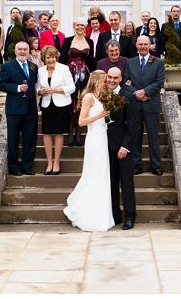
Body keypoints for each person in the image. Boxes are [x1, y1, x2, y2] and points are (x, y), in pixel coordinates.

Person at [62, 70, 115, 231]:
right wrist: (100, 115)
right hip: (94, 137)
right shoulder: (88, 97)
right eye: (104, 80)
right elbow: (81, 121)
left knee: (102, 174)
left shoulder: (102, 97)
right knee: (94, 172)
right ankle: (83, 209)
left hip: (103, 136)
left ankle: (102, 212)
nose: (106, 83)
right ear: (97, 81)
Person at [125, 36, 166, 177]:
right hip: (134, 105)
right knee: (135, 137)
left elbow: (160, 81)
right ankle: (136, 166)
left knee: (153, 137)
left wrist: (145, 92)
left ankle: (156, 166)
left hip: (151, 104)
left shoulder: (158, 62)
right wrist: (136, 92)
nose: (142, 46)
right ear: (136, 46)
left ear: (150, 46)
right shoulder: (130, 63)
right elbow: (126, 82)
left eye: (145, 44)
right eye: (140, 44)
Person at [0, 41, 39, 176]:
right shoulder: (7, 66)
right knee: (13, 139)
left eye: (25, 49)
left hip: (31, 109)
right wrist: (17, 88)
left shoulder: (33, 67)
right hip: (14, 109)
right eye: (20, 49)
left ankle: (27, 166)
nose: (22, 52)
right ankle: (14, 167)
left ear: (28, 51)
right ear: (15, 51)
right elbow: (1, 85)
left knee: (30, 139)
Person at [105, 67, 137, 229]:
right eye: (109, 77)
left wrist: (125, 147)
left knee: (126, 182)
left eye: (115, 78)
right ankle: (114, 214)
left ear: (121, 78)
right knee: (110, 182)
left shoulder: (128, 96)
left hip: (123, 147)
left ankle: (130, 216)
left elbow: (134, 126)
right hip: (105, 146)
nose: (112, 80)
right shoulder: (101, 95)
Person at [36, 46, 75, 176]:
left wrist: (56, 90)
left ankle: (56, 162)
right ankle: (49, 163)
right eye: (48, 57)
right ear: (44, 59)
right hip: (47, 105)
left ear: (56, 57)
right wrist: (40, 92)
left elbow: (72, 87)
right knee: (47, 133)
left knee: (58, 133)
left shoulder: (63, 68)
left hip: (61, 104)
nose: (50, 59)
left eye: (52, 57)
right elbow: (37, 88)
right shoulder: (40, 71)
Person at [60, 18, 95, 146]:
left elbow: (91, 61)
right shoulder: (68, 40)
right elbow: (63, 59)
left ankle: (79, 132)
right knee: (71, 102)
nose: (80, 27)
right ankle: (70, 131)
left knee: (82, 101)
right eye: (78, 25)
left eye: (82, 25)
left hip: (84, 76)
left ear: (85, 27)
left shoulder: (90, 41)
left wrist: (94, 76)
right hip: (70, 75)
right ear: (74, 26)